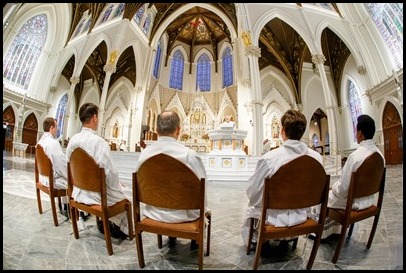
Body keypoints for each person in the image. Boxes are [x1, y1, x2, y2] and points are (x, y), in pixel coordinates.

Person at [242, 109, 323, 253]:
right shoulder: (316, 158)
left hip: (273, 219)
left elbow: (253, 194)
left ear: (282, 131)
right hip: (302, 216)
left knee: (252, 207)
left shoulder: (269, 159)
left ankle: (258, 242)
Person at [135, 110, 210, 249]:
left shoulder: (144, 155)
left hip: (154, 212)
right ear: (178, 130)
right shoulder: (189, 155)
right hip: (185, 216)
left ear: (156, 130)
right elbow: (202, 188)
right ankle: (195, 242)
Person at [309, 114, 385, 241]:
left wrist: (332, 188)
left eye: (356, 130)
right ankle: (336, 231)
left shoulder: (355, 157)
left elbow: (343, 189)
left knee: (321, 197)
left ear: (360, 133)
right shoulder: (380, 155)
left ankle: (322, 234)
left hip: (353, 203)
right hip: (369, 200)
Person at [66, 103, 131, 239]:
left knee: (118, 190)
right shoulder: (99, 142)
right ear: (94, 118)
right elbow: (110, 174)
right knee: (127, 197)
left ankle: (105, 222)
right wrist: (118, 185)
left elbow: (69, 165)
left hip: (78, 191)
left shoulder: (73, 140)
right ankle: (120, 229)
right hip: (97, 195)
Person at [36, 117, 69, 218]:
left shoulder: (40, 142)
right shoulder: (53, 143)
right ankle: (78, 213)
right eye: (56, 127)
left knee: (63, 175)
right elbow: (62, 166)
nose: (57, 129)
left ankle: (65, 205)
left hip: (42, 178)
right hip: (51, 181)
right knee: (74, 182)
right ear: (51, 128)